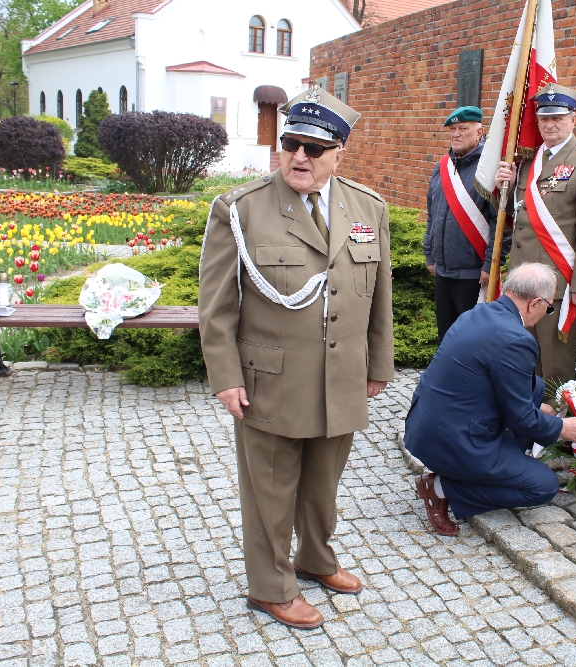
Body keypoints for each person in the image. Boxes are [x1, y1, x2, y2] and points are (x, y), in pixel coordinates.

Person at [198, 86, 394, 629]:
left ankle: (315, 558)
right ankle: (270, 586)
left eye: (314, 148)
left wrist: (378, 364)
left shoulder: (366, 207)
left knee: (323, 482)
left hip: (340, 376)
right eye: (291, 144)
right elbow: (216, 307)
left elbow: (379, 292)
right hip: (271, 378)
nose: (299, 157)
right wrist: (225, 377)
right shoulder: (240, 210)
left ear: (339, 154)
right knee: (271, 486)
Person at [404, 263, 576, 535]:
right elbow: (522, 419)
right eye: (548, 308)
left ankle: (500, 464)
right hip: (452, 441)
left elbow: (504, 388)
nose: (546, 314)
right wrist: (564, 429)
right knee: (542, 486)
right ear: (536, 303)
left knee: (535, 387)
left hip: (426, 425)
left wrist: (537, 406)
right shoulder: (516, 339)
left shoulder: (478, 312)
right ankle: (440, 488)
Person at [495, 84, 576, 382]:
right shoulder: (529, 161)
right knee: (520, 355)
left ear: (573, 118)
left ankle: (557, 425)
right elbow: (517, 216)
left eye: (558, 118)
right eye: (544, 118)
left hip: (557, 283)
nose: (550, 124)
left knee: (554, 364)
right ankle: (524, 417)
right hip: (521, 279)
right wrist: (503, 189)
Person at [424, 105, 506, 341]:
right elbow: (432, 214)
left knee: (472, 340)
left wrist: (490, 264)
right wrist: (430, 255)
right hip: (443, 271)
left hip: (473, 274)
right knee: (446, 337)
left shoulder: (489, 170)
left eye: (463, 128)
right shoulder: (442, 168)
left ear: (480, 132)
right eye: (453, 129)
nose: (456, 134)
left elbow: (499, 224)